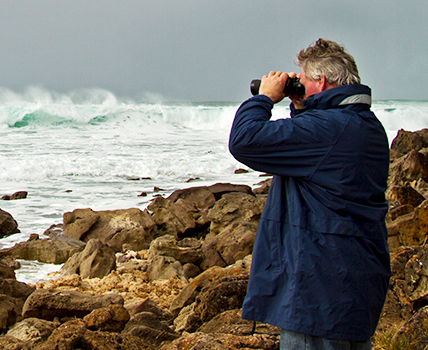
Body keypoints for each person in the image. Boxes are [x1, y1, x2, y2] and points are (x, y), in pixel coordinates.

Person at [229, 38, 391, 350]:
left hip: (319, 293)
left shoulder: (329, 129)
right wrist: (301, 105)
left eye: (301, 79)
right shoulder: (364, 126)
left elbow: (245, 140)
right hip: (354, 287)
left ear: (321, 81)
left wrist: (264, 99)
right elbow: (312, 153)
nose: (297, 82)